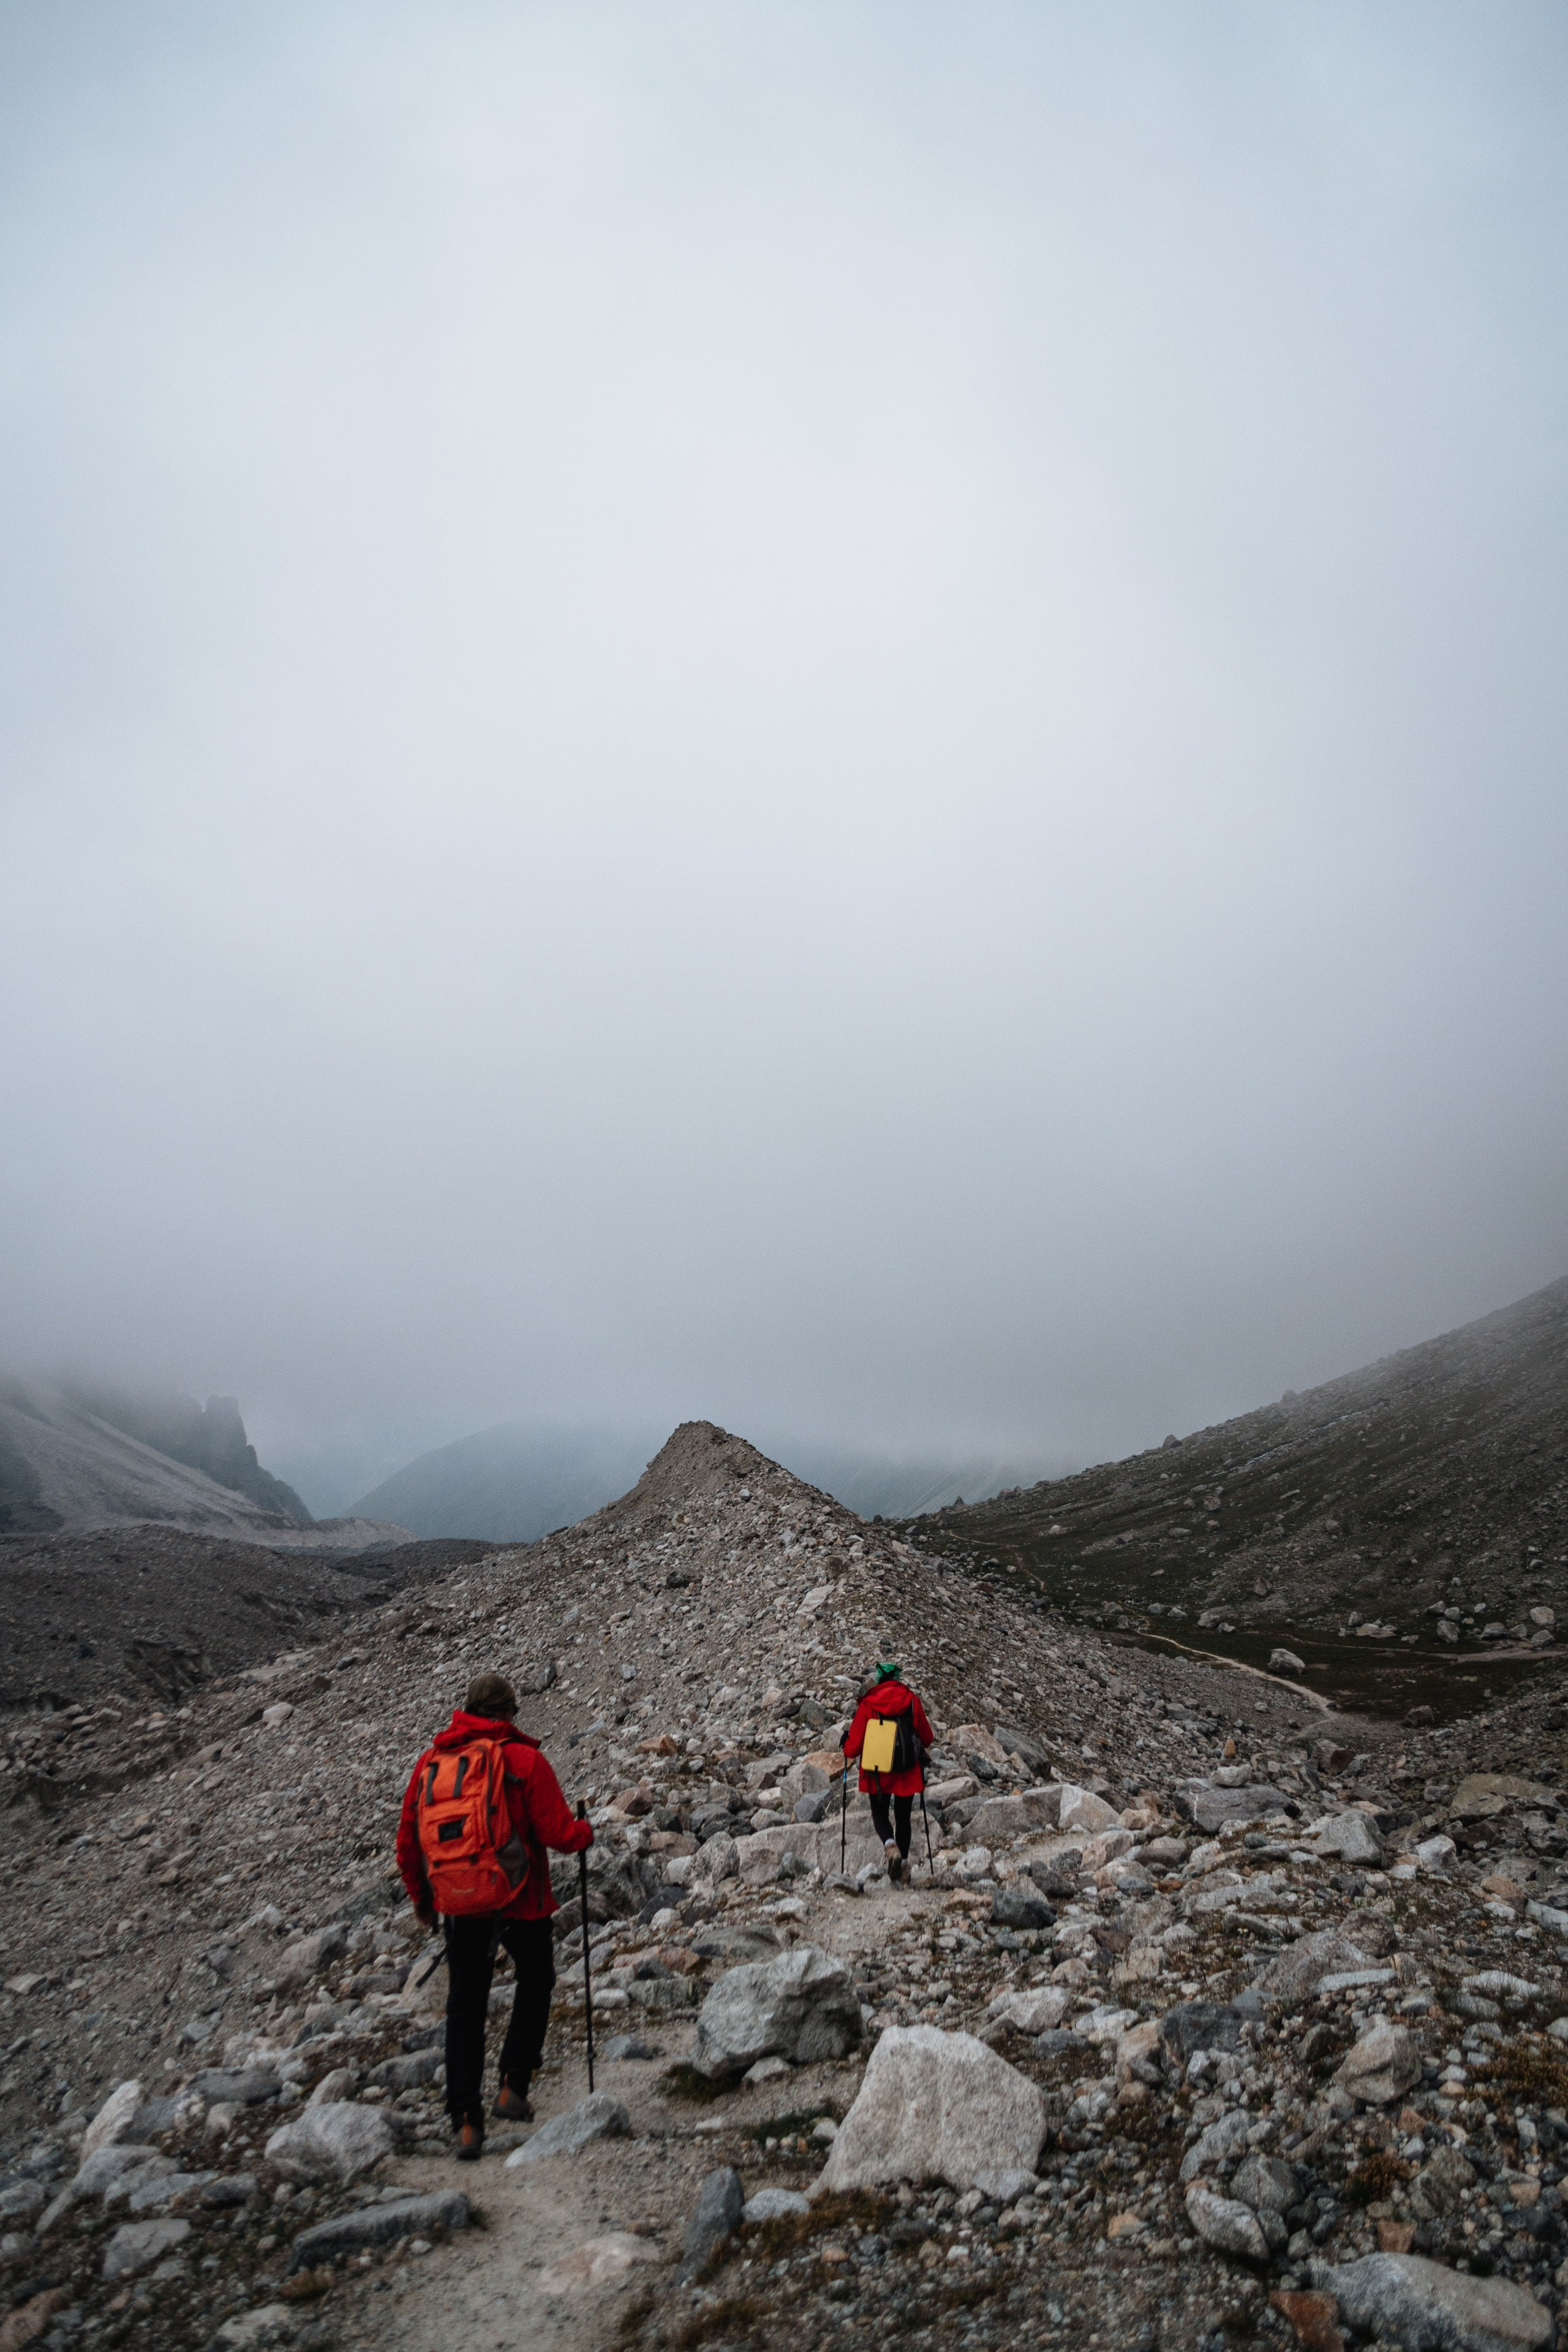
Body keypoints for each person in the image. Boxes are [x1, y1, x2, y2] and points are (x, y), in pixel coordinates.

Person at [396, 1672, 593, 2160]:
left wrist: (423, 1899)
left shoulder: (433, 1765)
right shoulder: (523, 1759)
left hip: (461, 1902)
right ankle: (512, 2086)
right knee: (536, 1979)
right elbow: (557, 1833)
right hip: (521, 1900)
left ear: (467, 1710)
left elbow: (409, 1841)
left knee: (465, 2006)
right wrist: (585, 1833)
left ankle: (465, 2121)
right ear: (507, 1714)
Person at [843, 1659, 933, 1884]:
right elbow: (928, 1737)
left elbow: (853, 1748)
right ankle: (901, 1869)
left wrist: (844, 1743)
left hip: (878, 1773)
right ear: (897, 1680)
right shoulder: (911, 1701)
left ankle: (890, 1847)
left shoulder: (869, 1704)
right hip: (906, 1771)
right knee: (904, 1818)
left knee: (879, 1815)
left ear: (879, 1681)